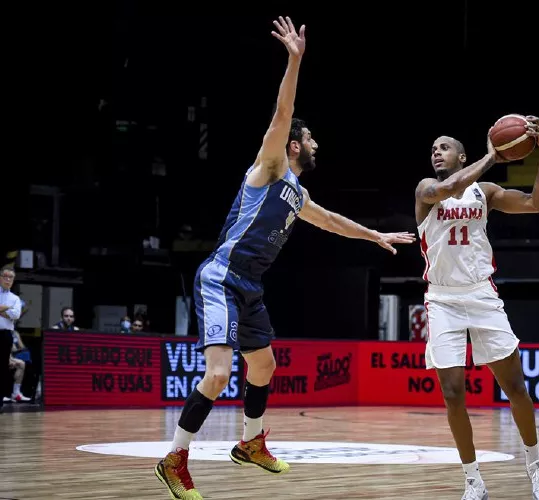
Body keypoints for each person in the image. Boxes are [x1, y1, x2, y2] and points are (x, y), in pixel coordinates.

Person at [155, 16, 415, 500]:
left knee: (265, 367)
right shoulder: (270, 166)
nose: (317, 144)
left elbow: (331, 220)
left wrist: (374, 235)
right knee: (217, 374)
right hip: (221, 278)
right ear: (294, 145)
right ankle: (175, 459)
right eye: (311, 139)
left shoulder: (297, 194)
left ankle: (251, 443)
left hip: (250, 285)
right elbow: (283, 111)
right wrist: (295, 60)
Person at [414, 117, 539, 500]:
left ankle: (536, 465)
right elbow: (448, 188)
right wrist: (492, 155)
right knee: (452, 392)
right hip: (441, 298)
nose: (436, 153)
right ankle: (473, 480)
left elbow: (536, 204)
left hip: (481, 294)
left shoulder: (485, 192)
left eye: (444, 147)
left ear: (461, 154)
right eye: (433, 150)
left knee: (514, 385)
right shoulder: (427, 189)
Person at [0, 268, 23, 412]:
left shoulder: (15, 298)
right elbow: (10, 312)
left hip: (4, 335)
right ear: (0, 277)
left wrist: (2, 310)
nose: (8, 279)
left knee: (2, 368)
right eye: (5, 276)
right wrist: (5, 309)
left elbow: (15, 315)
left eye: (11, 278)